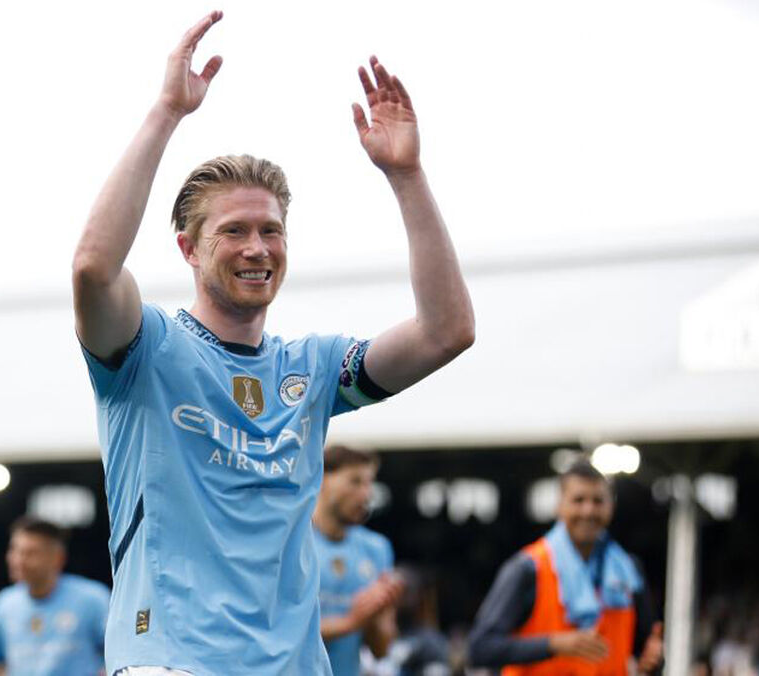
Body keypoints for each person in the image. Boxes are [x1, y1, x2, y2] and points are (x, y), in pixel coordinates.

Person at [71, 11, 474, 675]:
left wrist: (406, 177)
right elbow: (93, 268)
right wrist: (168, 112)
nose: (257, 247)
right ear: (189, 249)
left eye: (271, 230)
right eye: (233, 231)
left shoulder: (312, 368)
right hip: (170, 661)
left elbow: (446, 331)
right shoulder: (146, 348)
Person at [468, 461, 665, 675]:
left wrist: (653, 661)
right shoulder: (529, 567)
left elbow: (644, 649)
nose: (588, 511)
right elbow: (480, 647)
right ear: (559, 505)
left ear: (611, 506)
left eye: (598, 501)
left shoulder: (628, 570)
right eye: (578, 500)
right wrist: (553, 644)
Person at [0, 518, 109, 676]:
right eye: (14, 550)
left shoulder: (93, 599)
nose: (18, 560)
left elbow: (119, 650)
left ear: (58, 558)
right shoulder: (4, 603)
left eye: (30, 553)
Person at [312, 445, 404, 676]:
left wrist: (378, 613)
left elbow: (381, 650)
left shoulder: (376, 548)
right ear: (321, 478)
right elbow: (281, 628)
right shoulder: (293, 544)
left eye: (369, 483)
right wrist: (350, 622)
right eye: (355, 482)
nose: (366, 495)